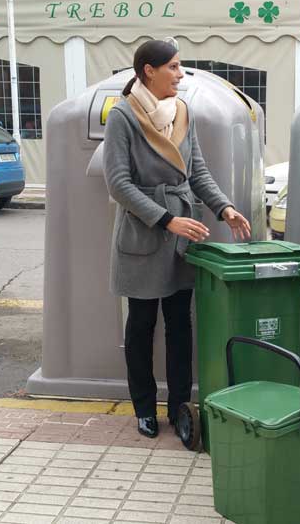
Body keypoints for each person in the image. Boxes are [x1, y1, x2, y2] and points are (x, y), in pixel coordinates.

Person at [103, 40, 251, 438]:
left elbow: (197, 171)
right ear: (148, 71)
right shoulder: (122, 116)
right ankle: (144, 407)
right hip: (146, 232)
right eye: (173, 66)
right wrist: (167, 219)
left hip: (183, 233)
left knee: (180, 325)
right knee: (141, 325)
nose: (180, 74)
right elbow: (118, 185)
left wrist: (224, 208)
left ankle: (180, 407)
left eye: (179, 66)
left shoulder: (183, 111)